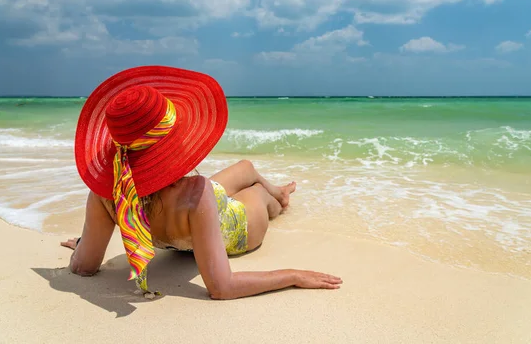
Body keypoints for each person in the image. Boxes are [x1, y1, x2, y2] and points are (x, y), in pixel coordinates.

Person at [60, 65, 342, 300]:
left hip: (198, 212)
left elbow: (83, 267)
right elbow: (222, 287)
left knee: (245, 168)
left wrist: (86, 244)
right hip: (234, 227)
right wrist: (292, 276)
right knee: (257, 194)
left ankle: (278, 189)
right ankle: (279, 197)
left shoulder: (108, 192)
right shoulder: (195, 193)